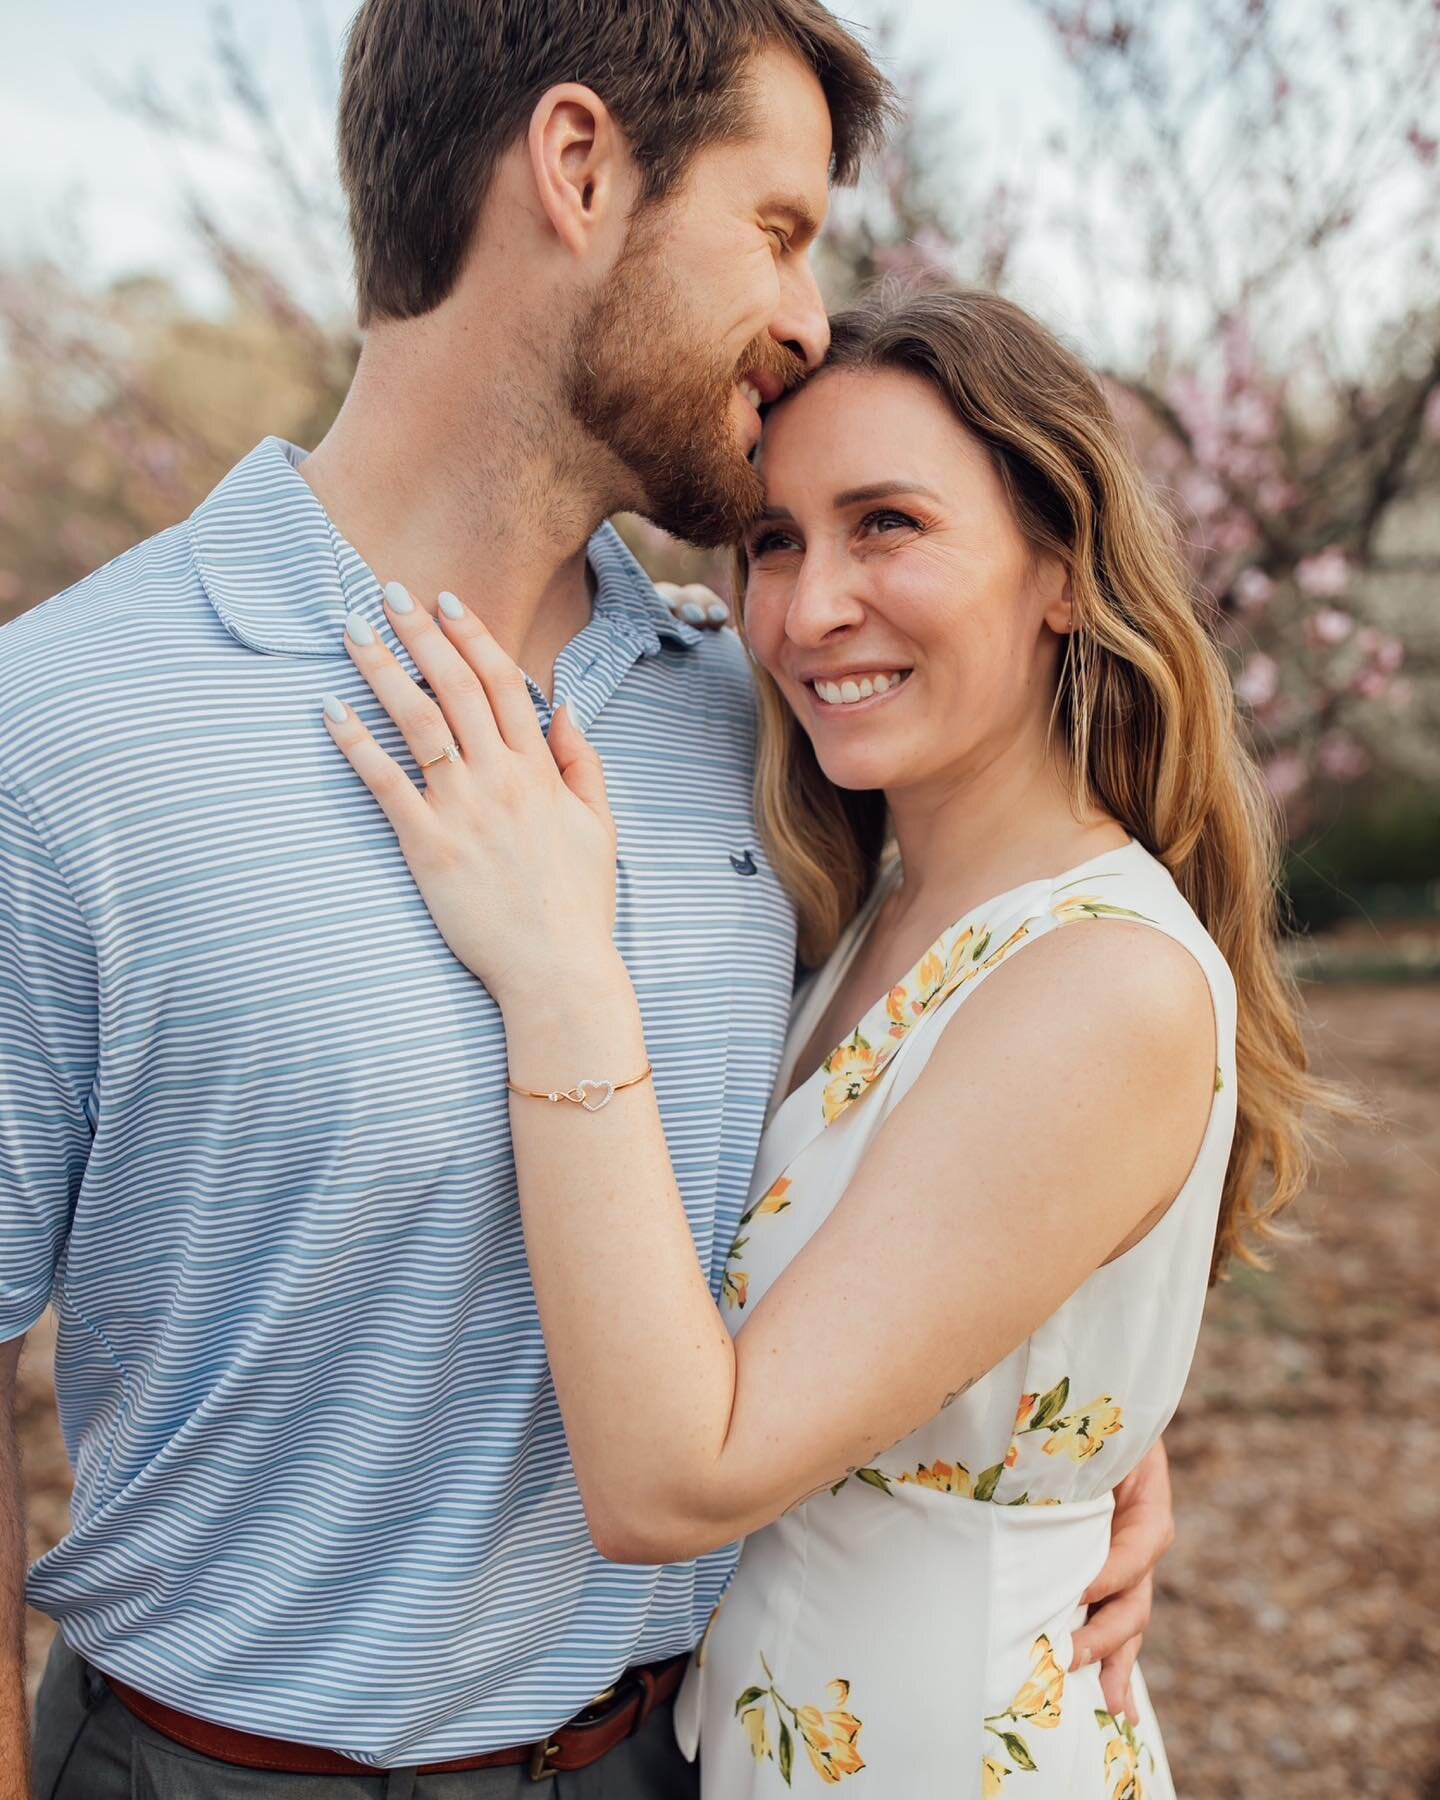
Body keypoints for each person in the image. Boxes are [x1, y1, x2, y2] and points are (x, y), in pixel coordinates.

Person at [0, 8, 1171, 1797]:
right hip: (221, 1765)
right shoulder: (69, 731)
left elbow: (967, 1106)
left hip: (680, 1754)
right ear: (576, 166)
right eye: (777, 229)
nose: (803, 316)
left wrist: (1058, 1424)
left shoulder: (769, 726)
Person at [321, 283, 1327, 1796]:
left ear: (1061, 567)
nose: (802, 611)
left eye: (888, 525)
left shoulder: (1102, 980)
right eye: (776, 540)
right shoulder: (868, 906)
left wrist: (558, 972)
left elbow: (679, 1481)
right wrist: (1077, 1432)